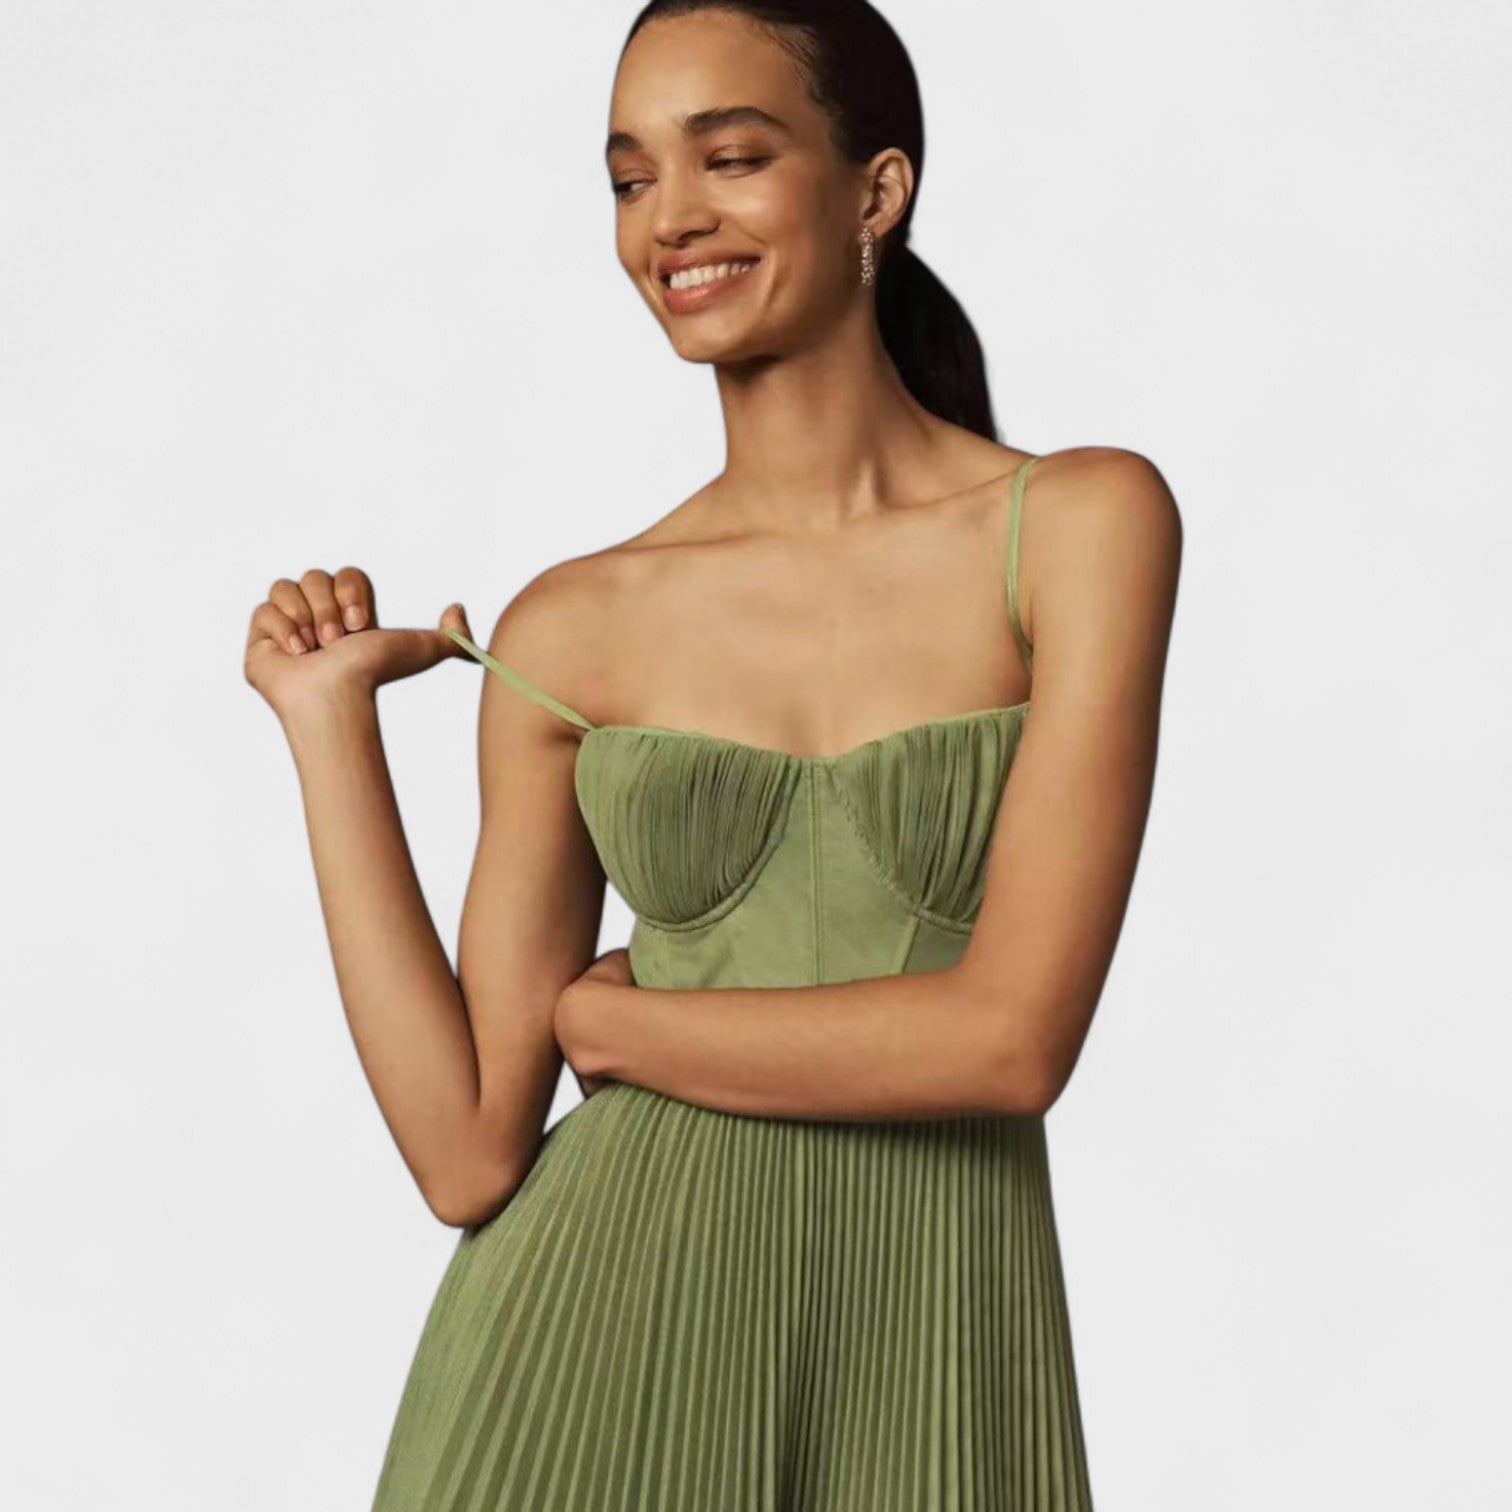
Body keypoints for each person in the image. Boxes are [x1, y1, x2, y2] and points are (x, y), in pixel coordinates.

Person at [243, 1, 1182, 1505]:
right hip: (590, 1360)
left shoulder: (1079, 524)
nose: (669, 219)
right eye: (630, 180)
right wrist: (327, 726)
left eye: (730, 158)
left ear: (877, 189)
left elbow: (1010, 1042)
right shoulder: (573, 623)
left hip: (931, 1356)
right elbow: (468, 1154)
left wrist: (618, 1031)